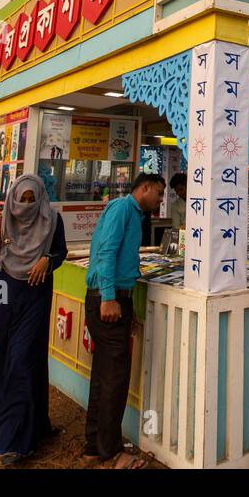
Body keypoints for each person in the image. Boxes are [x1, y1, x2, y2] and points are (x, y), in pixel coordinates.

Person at [0, 175, 68, 466]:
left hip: (36, 293)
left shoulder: (52, 220)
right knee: (1, 355)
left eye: (31, 199)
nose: (26, 205)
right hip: (4, 292)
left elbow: (60, 251)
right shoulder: (1, 220)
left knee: (23, 359)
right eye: (22, 199)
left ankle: (14, 440)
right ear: (13, 197)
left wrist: (48, 260)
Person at [82, 173, 165, 467]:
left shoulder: (134, 214)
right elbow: (106, 252)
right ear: (144, 188)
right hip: (108, 299)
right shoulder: (121, 209)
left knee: (104, 376)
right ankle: (111, 451)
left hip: (117, 298)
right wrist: (108, 297)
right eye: (158, 193)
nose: (160, 199)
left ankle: (94, 446)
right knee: (115, 378)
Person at [164, 173, 187, 253]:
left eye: (181, 189)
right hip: (185, 240)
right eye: (177, 191)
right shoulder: (176, 206)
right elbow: (176, 228)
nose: (179, 193)